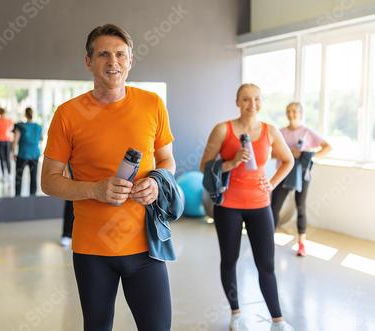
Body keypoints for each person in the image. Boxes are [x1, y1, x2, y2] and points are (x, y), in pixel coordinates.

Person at [41, 24, 176, 331]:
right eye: (103, 54)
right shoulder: (68, 114)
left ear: (130, 60)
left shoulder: (152, 104)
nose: (112, 62)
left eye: (120, 54)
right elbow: (49, 180)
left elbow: (167, 160)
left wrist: (156, 182)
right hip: (93, 251)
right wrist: (95, 190)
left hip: (146, 247)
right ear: (88, 61)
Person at [199, 83, 295, 331]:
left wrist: (272, 184)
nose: (252, 104)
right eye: (245, 99)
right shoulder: (223, 129)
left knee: (267, 264)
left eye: (256, 99)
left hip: (260, 205)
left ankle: (278, 321)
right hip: (228, 205)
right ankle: (235, 313)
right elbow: (204, 166)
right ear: (237, 102)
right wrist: (230, 163)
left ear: (261, 101)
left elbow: (288, 160)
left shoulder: (270, 131)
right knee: (229, 260)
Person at [271, 102, 332, 257]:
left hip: (301, 175)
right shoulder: (280, 132)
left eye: (295, 111)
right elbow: (271, 153)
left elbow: (327, 147)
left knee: (301, 207)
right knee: (274, 207)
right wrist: (287, 152)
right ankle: (268, 240)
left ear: (301, 113)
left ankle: (301, 244)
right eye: (288, 111)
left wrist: (309, 157)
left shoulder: (307, 132)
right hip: (283, 173)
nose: (291, 114)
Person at [12, 107, 42, 196]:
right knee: (33, 177)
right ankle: (33, 196)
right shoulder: (38, 127)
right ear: (33, 115)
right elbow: (41, 138)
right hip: (35, 155)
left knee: (19, 177)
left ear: (25, 115)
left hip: (23, 155)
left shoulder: (20, 126)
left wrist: (12, 152)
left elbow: (15, 141)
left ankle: (17, 196)